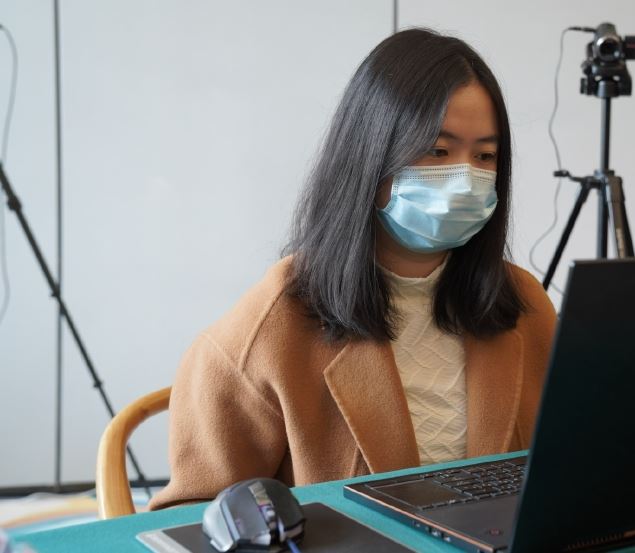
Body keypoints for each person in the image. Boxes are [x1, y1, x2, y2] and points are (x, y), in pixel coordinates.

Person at [150, 29, 557, 510]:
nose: (466, 178)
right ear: (370, 153)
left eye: (485, 156)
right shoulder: (269, 327)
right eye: (437, 151)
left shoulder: (524, 304)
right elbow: (194, 518)